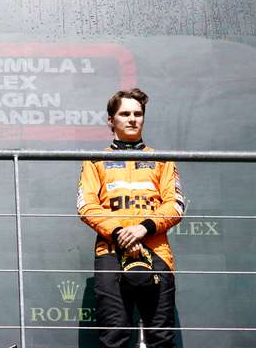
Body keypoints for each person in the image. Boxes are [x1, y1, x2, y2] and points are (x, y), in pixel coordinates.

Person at [77, 88, 185, 348]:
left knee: (161, 338)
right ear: (111, 120)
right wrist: (120, 234)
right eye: (124, 113)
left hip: (157, 252)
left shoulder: (161, 160)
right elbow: (86, 206)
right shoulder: (96, 161)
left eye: (138, 114)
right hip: (111, 252)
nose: (132, 119)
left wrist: (143, 228)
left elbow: (176, 204)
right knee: (113, 338)